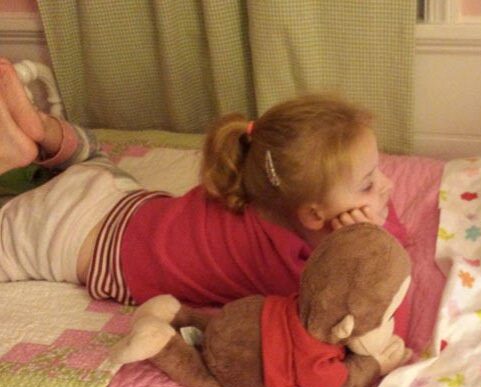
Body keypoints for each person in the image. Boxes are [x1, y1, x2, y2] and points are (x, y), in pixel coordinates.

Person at [0, 57, 410, 334]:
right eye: (369, 184)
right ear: (314, 214)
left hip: (115, 197)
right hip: (63, 236)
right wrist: (370, 239)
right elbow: (375, 305)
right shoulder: (292, 268)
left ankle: (41, 131)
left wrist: (369, 229)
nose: (388, 187)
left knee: (93, 161)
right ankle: (14, 154)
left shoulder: (255, 181)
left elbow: (393, 255)